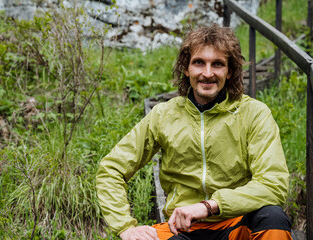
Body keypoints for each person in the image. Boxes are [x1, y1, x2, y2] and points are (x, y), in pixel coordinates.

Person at [96, 24, 292, 240]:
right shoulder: (164, 115)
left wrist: (209, 206)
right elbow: (112, 169)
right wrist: (126, 227)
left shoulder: (253, 113)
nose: (207, 73)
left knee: (273, 218)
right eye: (199, 63)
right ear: (186, 68)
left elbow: (273, 184)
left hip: (238, 222)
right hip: (181, 229)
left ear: (230, 72)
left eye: (217, 64)